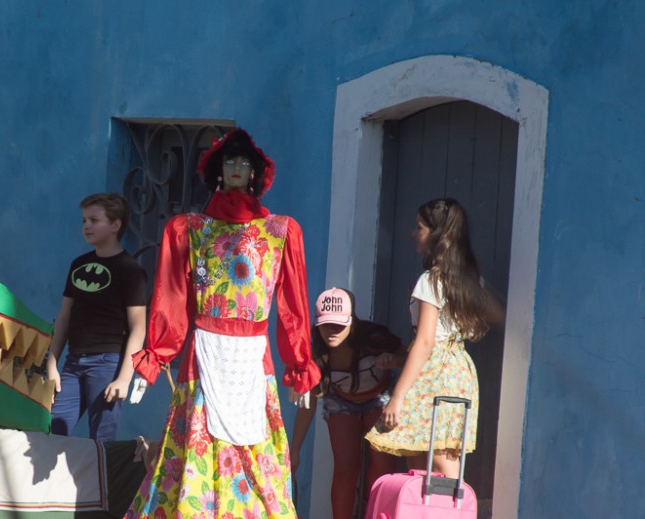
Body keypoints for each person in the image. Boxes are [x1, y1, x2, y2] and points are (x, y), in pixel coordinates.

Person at [125, 128, 318, 518]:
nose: (236, 167)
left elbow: (293, 305)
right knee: (196, 441)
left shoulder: (281, 232)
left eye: (243, 162)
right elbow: (171, 297)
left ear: (254, 172)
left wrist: (299, 364)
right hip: (204, 356)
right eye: (230, 160)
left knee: (256, 457)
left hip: (253, 360)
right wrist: (156, 356)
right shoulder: (189, 229)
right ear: (219, 169)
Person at [365, 198, 504, 479]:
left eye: (419, 227)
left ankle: (453, 503)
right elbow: (498, 313)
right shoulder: (465, 280)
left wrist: (397, 397)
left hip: (435, 373)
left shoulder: (430, 281)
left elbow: (426, 342)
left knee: (437, 457)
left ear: (437, 234)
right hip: (458, 370)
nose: (413, 233)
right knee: (426, 452)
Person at [289, 287, 404, 519]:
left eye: (339, 324)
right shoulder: (317, 352)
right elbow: (309, 402)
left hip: (379, 398)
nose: (332, 331)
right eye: (326, 324)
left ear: (351, 321)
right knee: (346, 467)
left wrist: (393, 360)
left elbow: (409, 357)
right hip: (341, 401)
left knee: (383, 464)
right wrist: (295, 450)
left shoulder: (373, 337)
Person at [46, 193, 148, 442]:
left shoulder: (130, 270)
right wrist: (51, 364)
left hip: (107, 364)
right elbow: (64, 318)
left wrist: (124, 379)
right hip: (73, 363)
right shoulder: (79, 265)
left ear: (115, 225)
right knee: (52, 432)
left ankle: (100, 471)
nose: (86, 226)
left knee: (101, 439)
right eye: (84, 220)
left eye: (94, 220)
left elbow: (138, 328)